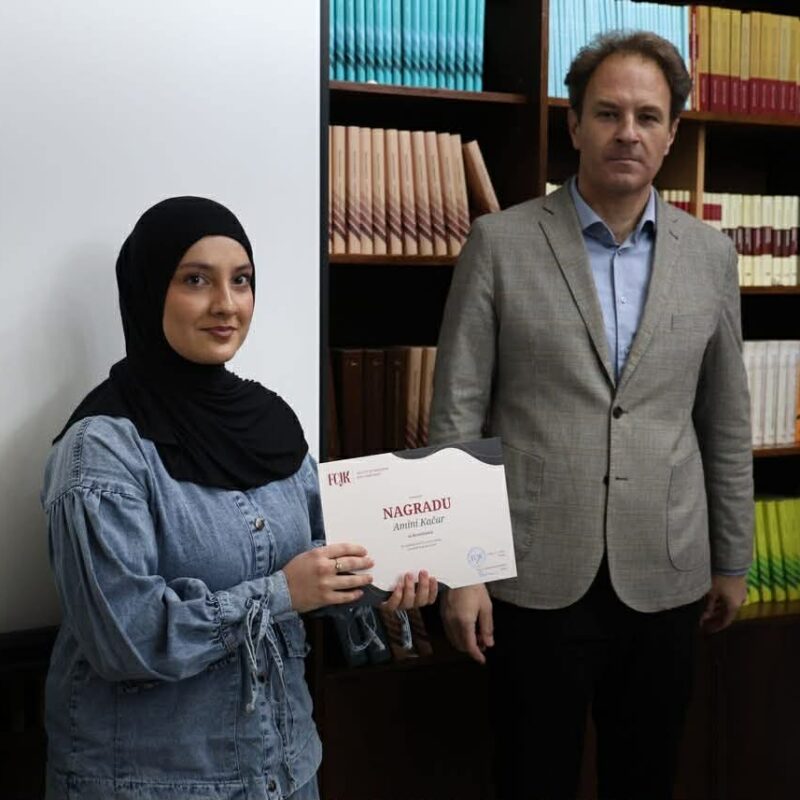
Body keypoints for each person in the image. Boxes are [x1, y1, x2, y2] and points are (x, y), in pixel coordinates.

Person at [430, 31, 753, 800]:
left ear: (672, 134)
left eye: (648, 116)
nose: (627, 132)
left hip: (666, 571)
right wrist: (461, 572)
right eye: (608, 113)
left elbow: (726, 420)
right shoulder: (499, 243)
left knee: (646, 777)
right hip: (534, 572)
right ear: (573, 125)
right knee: (530, 776)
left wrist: (732, 559)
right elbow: (457, 415)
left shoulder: (711, 256)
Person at [41, 196, 437, 800]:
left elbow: (321, 564)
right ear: (148, 291)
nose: (227, 304)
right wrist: (283, 592)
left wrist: (382, 585)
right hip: (154, 784)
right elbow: (126, 639)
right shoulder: (102, 448)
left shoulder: (270, 424)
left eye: (242, 280)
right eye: (196, 280)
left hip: (284, 770)